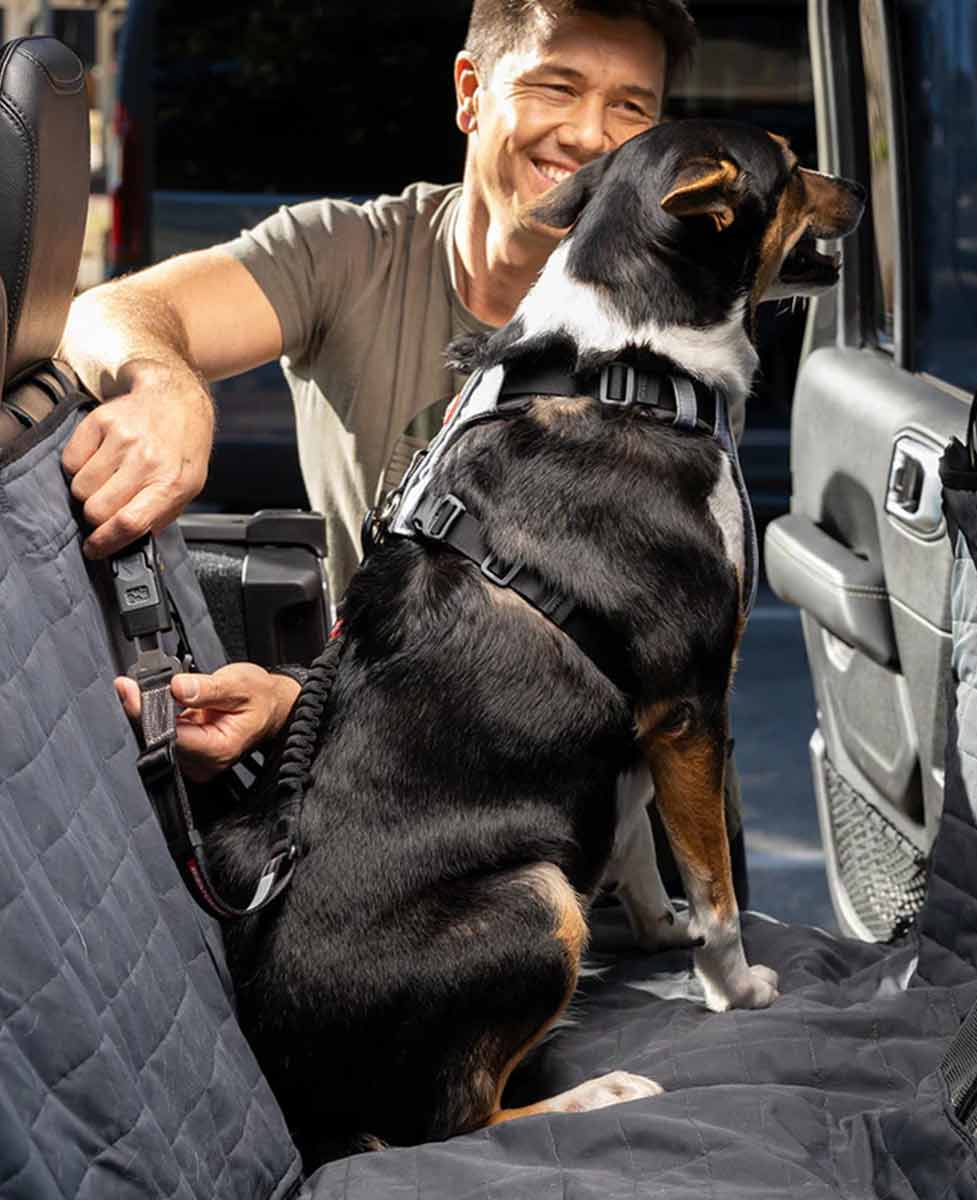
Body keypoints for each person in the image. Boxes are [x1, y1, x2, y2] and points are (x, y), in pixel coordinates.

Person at [70, 0, 746, 903]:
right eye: (557, 87)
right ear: (470, 93)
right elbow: (107, 316)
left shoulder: (687, 323)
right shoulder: (352, 255)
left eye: (633, 110)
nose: (592, 135)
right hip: (448, 847)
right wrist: (168, 385)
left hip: (653, 860)